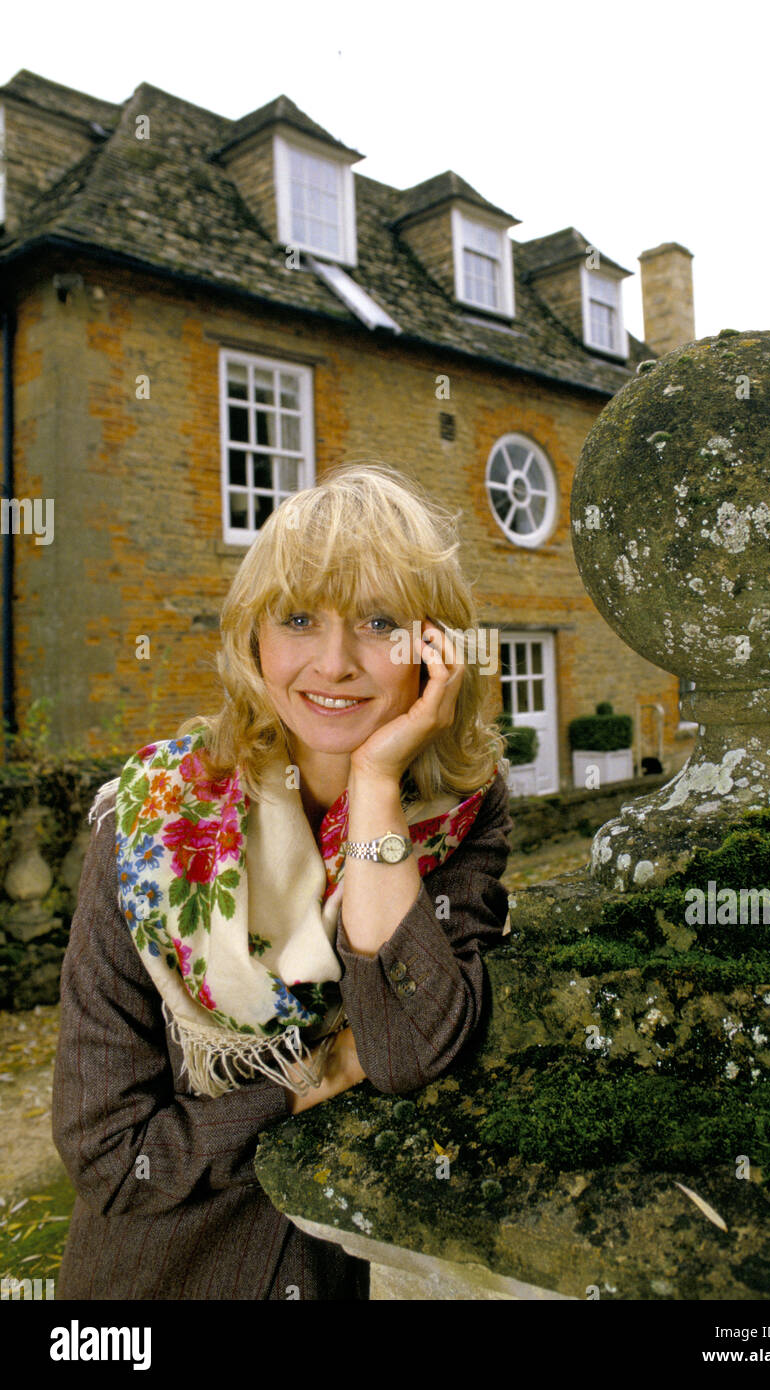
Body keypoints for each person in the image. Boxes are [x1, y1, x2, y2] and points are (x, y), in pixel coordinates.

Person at [52, 463, 513, 1300]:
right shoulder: (149, 825)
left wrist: (376, 786)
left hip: (326, 1272)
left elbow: (407, 1049)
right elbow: (113, 1157)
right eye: (299, 618)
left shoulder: (457, 812)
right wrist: (316, 1077)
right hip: (157, 1282)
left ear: (434, 649)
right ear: (253, 637)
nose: (333, 663)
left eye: (380, 622)